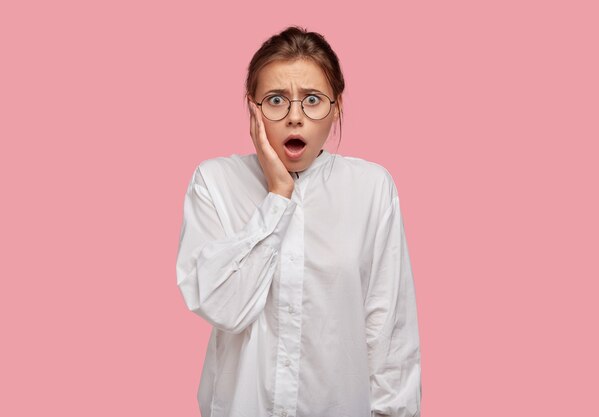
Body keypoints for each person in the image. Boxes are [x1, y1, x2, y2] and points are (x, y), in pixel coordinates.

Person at [176, 25, 422, 417]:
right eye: (275, 100)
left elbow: (388, 329)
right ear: (252, 107)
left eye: (312, 100)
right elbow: (222, 306)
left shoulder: (372, 188)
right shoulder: (214, 182)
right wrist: (277, 196)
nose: (295, 117)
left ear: (337, 106)